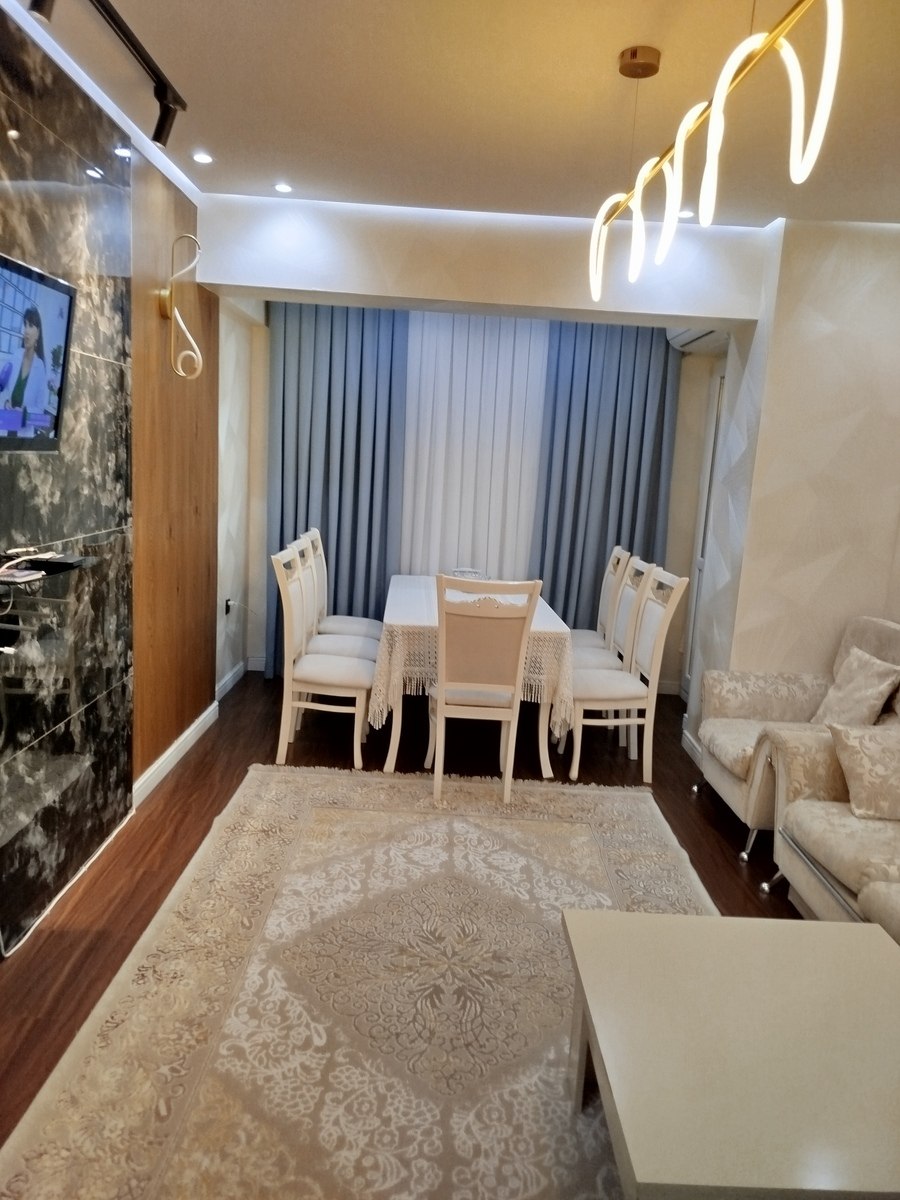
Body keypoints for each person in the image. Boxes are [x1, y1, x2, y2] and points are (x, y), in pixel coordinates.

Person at [1, 305, 49, 424]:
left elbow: (41, 411)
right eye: (25, 325)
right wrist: (6, 403)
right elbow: (3, 389)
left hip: (24, 432)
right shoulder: (15, 356)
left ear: (38, 333)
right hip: (6, 423)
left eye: (31, 326)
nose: (26, 330)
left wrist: (25, 415)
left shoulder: (40, 368)